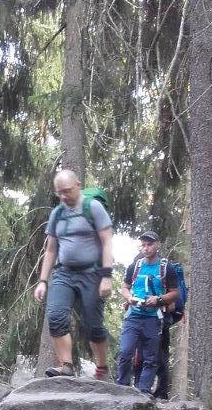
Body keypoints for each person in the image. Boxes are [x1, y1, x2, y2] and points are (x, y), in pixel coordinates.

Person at [33, 169, 114, 380]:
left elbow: (107, 242)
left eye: (67, 191)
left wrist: (106, 276)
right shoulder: (57, 214)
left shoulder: (93, 208)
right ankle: (66, 365)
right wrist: (42, 281)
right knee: (56, 316)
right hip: (64, 273)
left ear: (78, 185)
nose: (63, 196)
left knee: (93, 325)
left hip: (92, 274)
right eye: (59, 192)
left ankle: (102, 368)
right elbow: (51, 250)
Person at [117, 231, 180, 395]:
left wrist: (158, 299)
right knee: (125, 352)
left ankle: (143, 391)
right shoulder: (135, 266)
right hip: (133, 316)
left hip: (153, 318)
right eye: (143, 245)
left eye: (150, 244)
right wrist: (129, 298)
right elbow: (125, 287)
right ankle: (121, 387)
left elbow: (175, 292)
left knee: (151, 358)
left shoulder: (166, 268)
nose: (146, 248)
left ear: (158, 244)